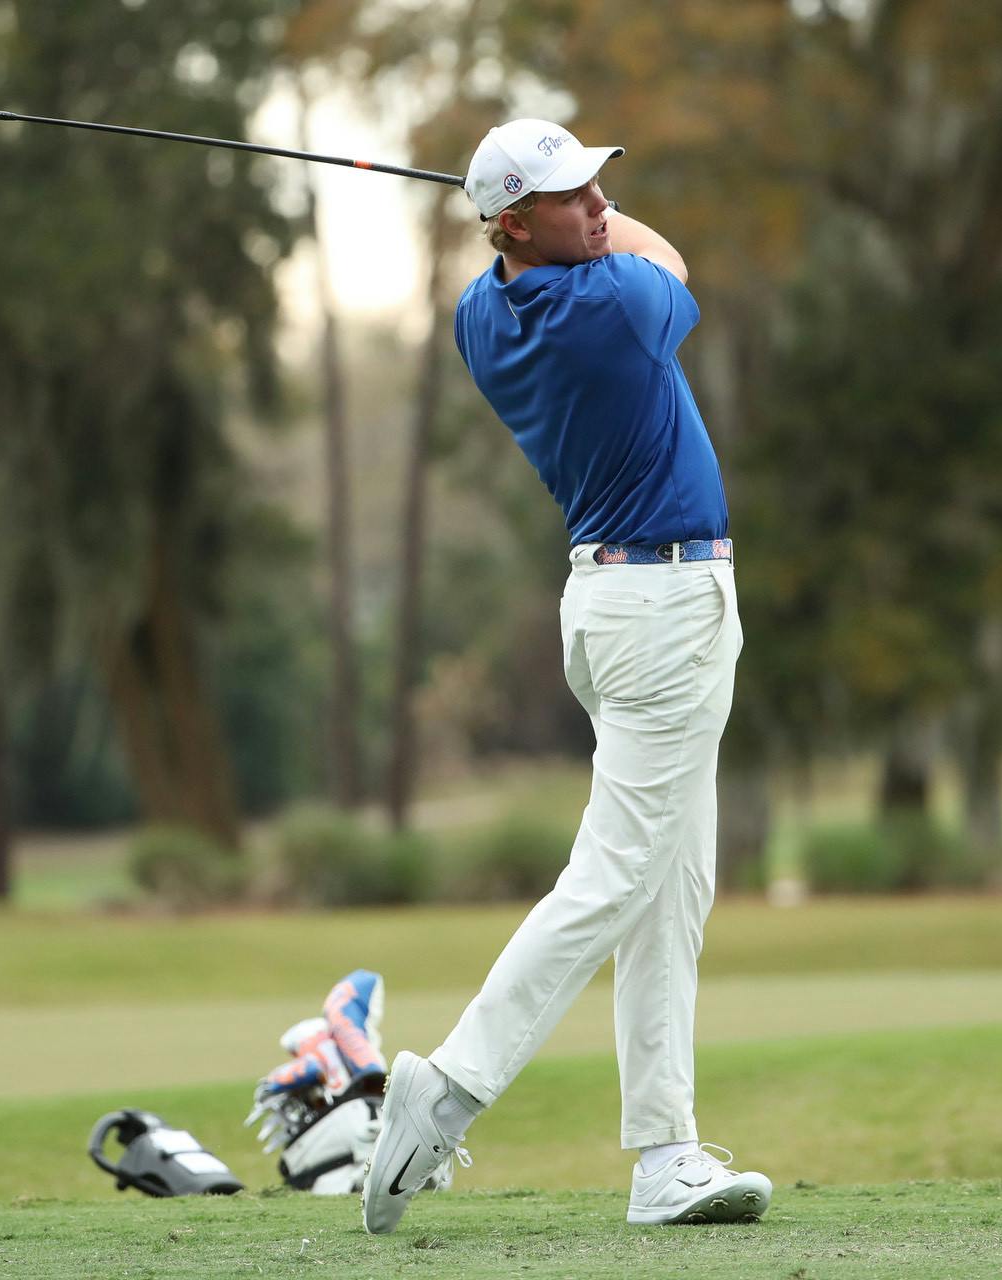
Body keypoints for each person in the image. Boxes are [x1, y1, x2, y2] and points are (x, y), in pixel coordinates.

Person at [361, 118, 771, 1234]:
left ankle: (666, 1156)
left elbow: (571, 246)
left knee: (670, 890)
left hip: (616, 606)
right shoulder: (616, 306)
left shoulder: (479, 314)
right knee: (616, 875)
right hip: (664, 610)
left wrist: (544, 215)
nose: (597, 205)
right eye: (571, 195)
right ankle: (448, 1087)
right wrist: (598, 225)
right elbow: (667, 256)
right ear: (510, 223)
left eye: (599, 185)